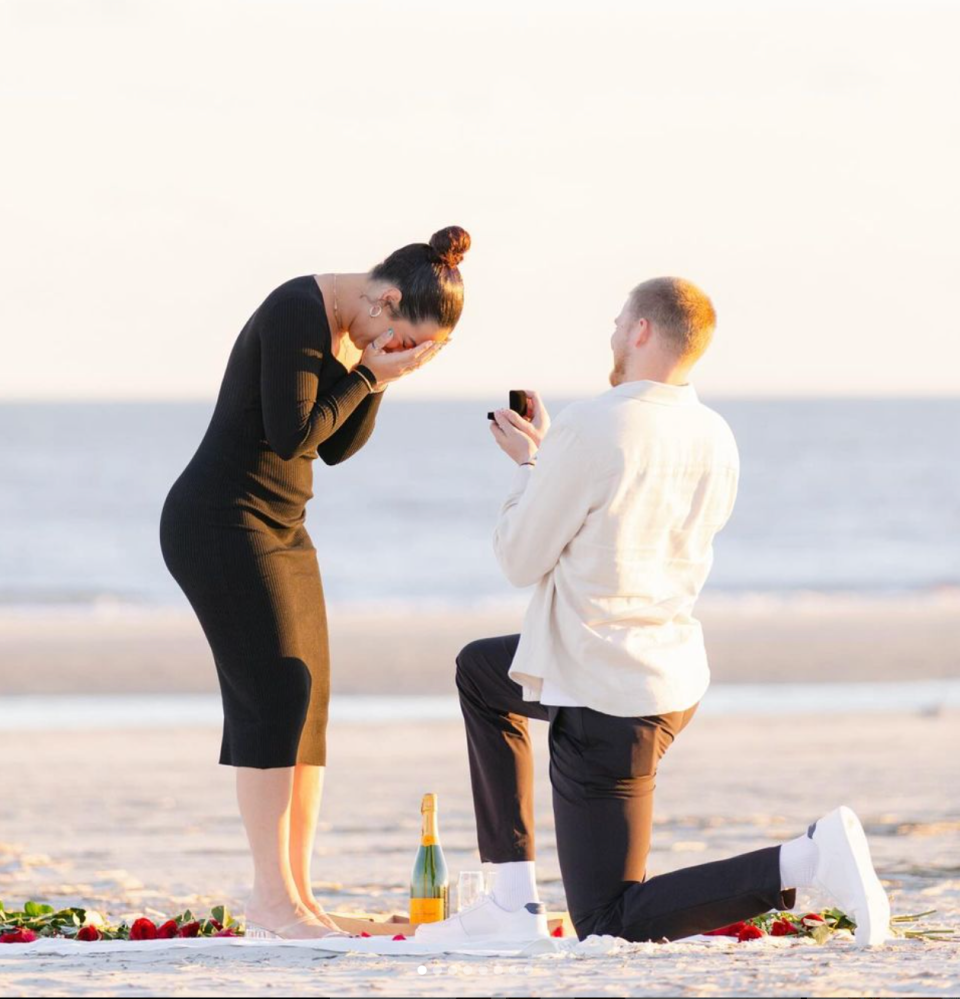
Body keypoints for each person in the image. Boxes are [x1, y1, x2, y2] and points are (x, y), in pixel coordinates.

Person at [416, 276, 890, 949]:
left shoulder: (591, 424)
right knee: (483, 672)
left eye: (617, 321)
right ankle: (510, 895)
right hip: (662, 677)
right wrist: (552, 464)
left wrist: (531, 467)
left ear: (641, 330)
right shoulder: (716, 435)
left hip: (605, 695)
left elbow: (520, 559)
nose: (612, 334)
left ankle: (806, 858)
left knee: (610, 921)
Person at [159, 226, 470, 939]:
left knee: (309, 705)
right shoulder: (298, 309)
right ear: (385, 298)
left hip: (283, 526)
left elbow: (334, 449)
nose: (390, 346)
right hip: (220, 522)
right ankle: (271, 901)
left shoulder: (352, 330)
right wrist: (368, 374)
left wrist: (378, 380)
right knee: (274, 696)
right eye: (398, 334)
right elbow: (293, 432)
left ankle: (299, 898)